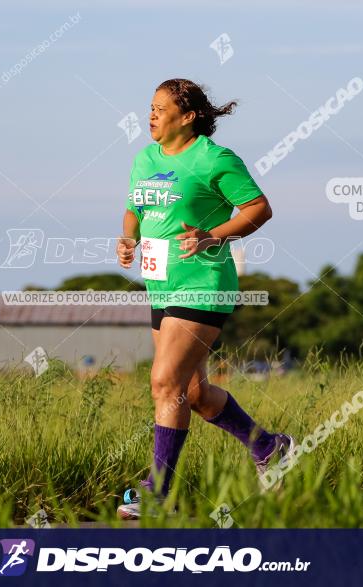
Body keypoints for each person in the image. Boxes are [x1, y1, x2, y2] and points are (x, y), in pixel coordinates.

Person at [115, 78, 296, 520]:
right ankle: (270, 447)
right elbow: (136, 208)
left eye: (160, 108)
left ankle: (158, 493)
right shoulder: (145, 159)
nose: (151, 114)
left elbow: (258, 208)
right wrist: (128, 239)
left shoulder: (215, 159)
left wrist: (212, 236)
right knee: (193, 393)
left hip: (203, 283)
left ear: (189, 116)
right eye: (150, 107)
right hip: (160, 285)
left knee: (164, 383)